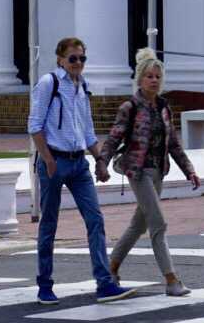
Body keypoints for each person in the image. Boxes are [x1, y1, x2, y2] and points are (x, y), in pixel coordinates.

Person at [28, 37, 133, 305]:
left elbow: (87, 130)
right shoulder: (49, 83)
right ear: (60, 59)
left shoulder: (82, 85)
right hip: (54, 161)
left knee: (95, 219)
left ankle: (104, 283)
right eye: (72, 58)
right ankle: (45, 285)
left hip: (78, 163)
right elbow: (35, 125)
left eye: (82, 58)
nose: (78, 63)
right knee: (49, 223)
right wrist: (48, 160)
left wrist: (100, 161)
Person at [97, 49, 201, 297]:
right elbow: (113, 138)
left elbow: (173, 144)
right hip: (138, 172)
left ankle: (110, 269)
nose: (154, 80)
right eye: (149, 76)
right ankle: (171, 280)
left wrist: (189, 171)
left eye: (157, 76)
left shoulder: (164, 107)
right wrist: (102, 163)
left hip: (158, 172)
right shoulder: (130, 107)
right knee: (158, 223)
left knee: (138, 226)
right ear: (140, 79)